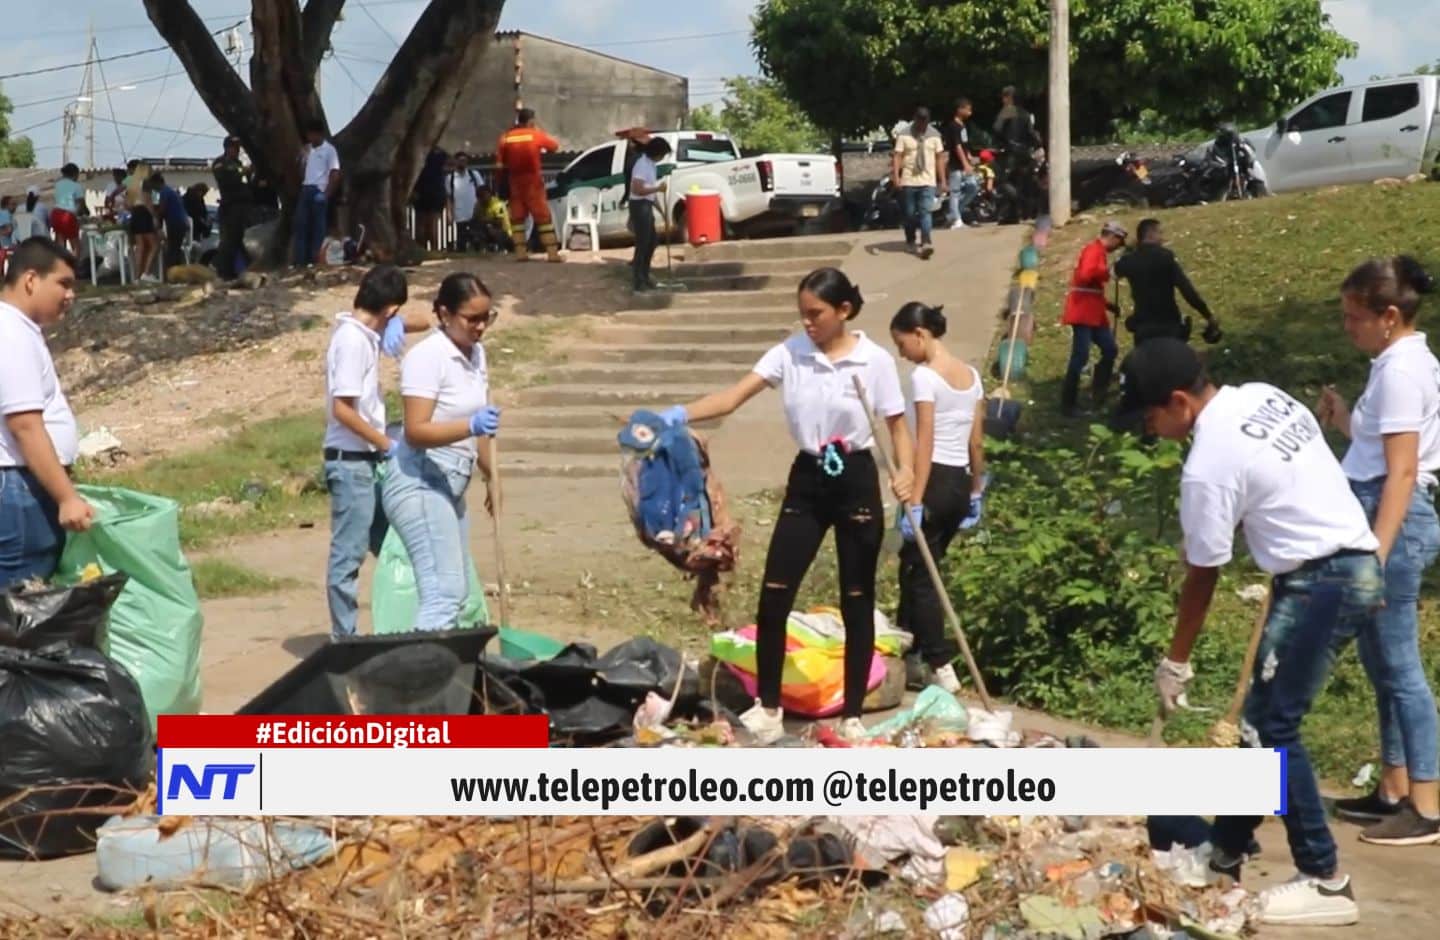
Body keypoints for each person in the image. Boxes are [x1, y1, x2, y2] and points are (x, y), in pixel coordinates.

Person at [1123, 338, 1380, 927]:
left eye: (1149, 414)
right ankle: (1226, 854)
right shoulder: (1261, 397)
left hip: (1324, 580)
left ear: (1180, 402)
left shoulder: (1207, 463)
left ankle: (1324, 879)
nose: (1147, 425)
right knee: (1258, 723)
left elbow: (1203, 575)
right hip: (1344, 565)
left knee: (1274, 726)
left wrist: (1176, 660)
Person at [658, 268, 916, 744]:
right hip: (809, 477)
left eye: (816, 314)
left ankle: (853, 714)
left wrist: (905, 476)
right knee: (775, 594)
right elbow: (734, 396)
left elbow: (898, 427)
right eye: (802, 315)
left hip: (856, 477)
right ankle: (770, 707)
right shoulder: (790, 353)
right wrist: (676, 413)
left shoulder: (873, 361)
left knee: (856, 600)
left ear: (844, 310)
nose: (808, 323)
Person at [1317, 257, 1440, 846]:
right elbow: (1376, 450)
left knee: (1400, 667)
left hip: (1391, 516)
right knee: (1381, 664)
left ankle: (1427, 800)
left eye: (1355, 317)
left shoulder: (1400, 371)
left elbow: (1401, 472)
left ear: (1389, 316)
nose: (1349, 327)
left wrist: (1376, 553)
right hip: (1377, 509)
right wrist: (1344, 418)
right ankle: (1391, 787)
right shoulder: (1395, 363)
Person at [381, 273, 501, 631]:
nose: (481, 327)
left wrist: (492, 475)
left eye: (487, 318)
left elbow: (481, 421)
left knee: (458, 593)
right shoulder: (427, 358)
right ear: (445, 314)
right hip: (420, 481)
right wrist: (471, 426)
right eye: (472, 319)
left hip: (452, 483)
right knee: (444, 592)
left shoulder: (477, 354)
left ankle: (444, 671)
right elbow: (416, 432)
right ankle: (423, 678)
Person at [890, 302, 985, 692]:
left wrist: (914, 497)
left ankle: (939, 661)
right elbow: (977, 440)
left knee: (923, 576)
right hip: (960, 482)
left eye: (902, 344)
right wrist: (977, 488)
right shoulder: (972, 376)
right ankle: (905, 648)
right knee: (913, 565)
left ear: (920, 334)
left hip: (934, 480)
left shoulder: (924, 377)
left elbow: (923, 441)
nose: (901, 353)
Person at [323, 264, 412, 639]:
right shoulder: (352, 341)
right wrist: (385, 443)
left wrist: (401, 322)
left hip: (369, 461)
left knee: (393, 543)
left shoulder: (364, 333)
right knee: (348, 557)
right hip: (353, 463)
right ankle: (345, 639)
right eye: (395, 312)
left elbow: (423, 317)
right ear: (387, 308)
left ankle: (404, 619)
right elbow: (342, 409)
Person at [0, 237, 92, 589]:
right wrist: (66, 497)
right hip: (17, 491)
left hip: (21, 487)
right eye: (63, 284)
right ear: (30, 280)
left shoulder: (20, 330)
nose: (70, 295)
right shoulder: (11, 333)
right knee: (18, 610)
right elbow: (24, 425)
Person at [1114, 219, 1219, 345]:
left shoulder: (1129, 260)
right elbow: (1187, 290)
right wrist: (1207, 315)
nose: (1162, 238)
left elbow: (1114, 272)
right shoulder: (1166, 256)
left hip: (1143, 326)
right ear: (1151, 234)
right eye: (1160, 233)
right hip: (1169, 324)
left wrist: (1130, 249)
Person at [1060, 221, 1126, 417]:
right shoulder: (1093, 250)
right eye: (1119, 242)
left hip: (1093, 311)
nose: (1117, 247)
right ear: (1113, 237)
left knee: (1110, 349)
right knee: (1080, 357)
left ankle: (1099, 391)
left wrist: (1108, 305)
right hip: (1083, 312)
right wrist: (1107, 272)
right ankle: (1068, 404)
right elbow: (1086, 274)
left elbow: (1091, 287)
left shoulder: (1099, 253)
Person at [496, 108, 562, 263]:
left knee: (517, 219)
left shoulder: (505, 137)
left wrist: (501, 184)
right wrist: (538, 131)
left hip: (514, 183)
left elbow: (499, 166)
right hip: (533, 183)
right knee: (543, 217)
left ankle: (520, 253)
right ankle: (552, 254)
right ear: (531, 121)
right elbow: (554, 146)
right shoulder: (534, 134)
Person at [890, 107, 947, 260]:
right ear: (914, 119)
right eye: (919, 121)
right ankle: (910, 240)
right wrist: (896, 176)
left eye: (925, 122)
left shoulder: (935, 136)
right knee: (909, 214)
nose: (922, 125)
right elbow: (897, 156)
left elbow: (939, 158)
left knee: (925, 212)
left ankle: (926, 242)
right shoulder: (904, 135)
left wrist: (943, 180)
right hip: (908, 180)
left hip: (928, 180)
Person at [294, 119, 341, 267]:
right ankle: (300, 261)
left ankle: (316, 260)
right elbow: (301, 171)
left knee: (318, 228)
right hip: (306, 188)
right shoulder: (308, 150)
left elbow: (335, 173)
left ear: (319, 134)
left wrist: (326, 194)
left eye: (312, 135)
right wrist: (302, 158)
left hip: (319, 190)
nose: (310, 138)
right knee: (301, 226)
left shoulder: (329, 150)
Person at [629, 137, 671, 292]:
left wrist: (662, 212)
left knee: (652, 242)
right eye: (662, 155)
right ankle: (638, 280)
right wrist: (657, 189)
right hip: (639, 206)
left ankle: (645, 275)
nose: (662, 158)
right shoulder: (642, 165)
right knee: (643, 243)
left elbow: (651, 194)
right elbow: (637, 190)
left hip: (646, 204)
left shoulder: (651, 165)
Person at [212, 136, 252, 280]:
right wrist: (243, 172)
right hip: (230, 206)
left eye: (238, 148)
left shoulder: (238, 163)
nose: (237, 150)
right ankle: (221, 270)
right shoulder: (220, 163)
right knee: (229, 240)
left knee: (237, 239)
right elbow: (228, 178)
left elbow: (245, 182)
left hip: (242, 207)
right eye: (235, 147)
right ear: (228, 148)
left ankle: (237, 269)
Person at [942, 99, 981, 230]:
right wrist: (965, 163)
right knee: (955, 192)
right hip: (955, 165)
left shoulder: (963, 126)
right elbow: (957, 147)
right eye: (967, 109)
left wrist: (969, 157)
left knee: (973, 186)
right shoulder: (953, 126)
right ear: (959, 109)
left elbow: (964, 145)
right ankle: (957, 220)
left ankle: (953, 213)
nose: (970, 112)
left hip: (965, 163)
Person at [124, 162, 160, 281]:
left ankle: (137, 276)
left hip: (135, 214)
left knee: (141, 247)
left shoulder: (131, 183)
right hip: (144, 214)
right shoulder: (145, 183)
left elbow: (127, 204)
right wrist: (154, 216)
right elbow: (147, 201)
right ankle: (147, 272)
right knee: (154, 245)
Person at [148, 174, 189, 272]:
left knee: (173, 249)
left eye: (153, 185)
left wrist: (155, 218)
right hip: (178, 221)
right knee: (174, 248)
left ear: (157, 183)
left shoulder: (165, 191)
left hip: (176, 222)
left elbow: (161, 209)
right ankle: (175, 272)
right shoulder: (166, 191)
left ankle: (172, 272)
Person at [447, 153, 484, 252]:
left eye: (464, 160)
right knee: (461, 241)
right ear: (455, 161)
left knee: (476, 239)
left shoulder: (474, 174)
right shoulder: (450, 178)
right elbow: (449, 198)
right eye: (460, 160)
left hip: (474, 212)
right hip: (459, 214)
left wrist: (480, 207)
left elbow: (482, 192)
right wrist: (450, 214)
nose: (462, 162)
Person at [414, 147, 448, 252]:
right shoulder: (440, 154)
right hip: (432, 191)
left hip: (424, 190)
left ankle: (427, 249)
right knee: (429, 225)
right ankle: (432, 249)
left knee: (424, 224)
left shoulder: (419, 154)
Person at [50, 163, 84, 255]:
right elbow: (81, 203)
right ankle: (75, 267)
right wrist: (83, 213)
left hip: (55, 214)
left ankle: (61, 266)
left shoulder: (57, 184)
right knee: (75, 246)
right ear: (75, 174)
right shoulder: (76, 186)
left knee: (60, 245)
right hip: (67, 216)